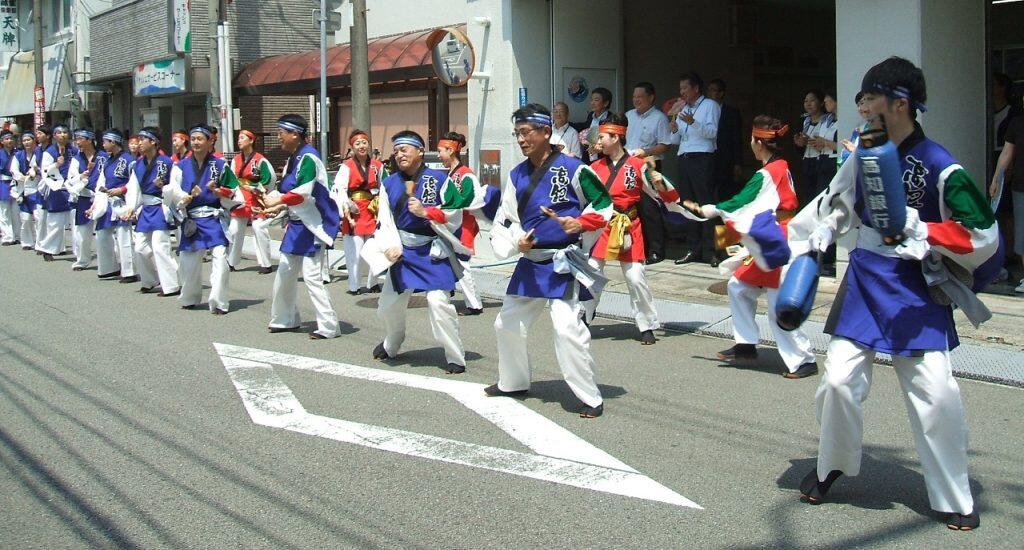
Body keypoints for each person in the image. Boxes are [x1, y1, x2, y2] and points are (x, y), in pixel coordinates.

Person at [792, 57, 1000, 531]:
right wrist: (822, 232)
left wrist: (921, 228)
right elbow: (837, 202)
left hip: (916, 287)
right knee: (839, 381)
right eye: (860, 97)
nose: (861, 105)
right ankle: (833, 464)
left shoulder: (941, 166)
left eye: (870, 97)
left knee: (936, 392)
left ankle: (952, 491)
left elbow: (982, 236)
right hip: (865, 277)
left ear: (900, 103)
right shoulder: (863, 151)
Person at [487, 103, 612, 418]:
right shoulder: (517, 174)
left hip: (564, 262)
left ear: (546, 132)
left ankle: (589, 396)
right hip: (531, 261)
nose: (521, 139)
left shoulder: (573, 169)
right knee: (507, 322)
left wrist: (580, 224)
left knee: (567, 328)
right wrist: (518, 241)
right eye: (517, 134)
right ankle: (512, 381)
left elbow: (603, 202)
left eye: (526, 132)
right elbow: (507, 218)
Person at [685, 115, 818, 378]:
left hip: (777, 239)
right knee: (738, 286)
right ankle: (746, 345)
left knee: (778, 304)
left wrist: (710, 209)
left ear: (758, 142)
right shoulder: (780, 166)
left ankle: (804, 360)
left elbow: (742, 202)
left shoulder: (767, 173)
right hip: (773, 233)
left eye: (752, 139)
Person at [369, 130, 474, 373]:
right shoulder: (389, 183)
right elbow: (384, 219)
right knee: (388, 305)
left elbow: (454, 214)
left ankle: (455, 355)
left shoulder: (439, 179)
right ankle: (392, 341)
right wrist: (389, 246)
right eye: (396, 151)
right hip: (402, 250)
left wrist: (427, 213)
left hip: (432, 251)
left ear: (419, 151)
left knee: (438, 302)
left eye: (404, 149)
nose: (399, 155)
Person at [583, 112, 679, 345]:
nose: (599, 141)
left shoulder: (637, 165)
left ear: (616, 137)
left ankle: (646, 324)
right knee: (592, 272)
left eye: (603, 136)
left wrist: (661, 182)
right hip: (603, 225)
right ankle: (584, 316)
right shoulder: (594, 166)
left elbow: (660, 191)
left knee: (635, 277)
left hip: (628, 225)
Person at [259, 114, 342, 339]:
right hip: (297, 224)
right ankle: (285, 319)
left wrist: (277, 202)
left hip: (314, 224)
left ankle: (329, 326)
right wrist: (275, 204)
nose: (279, 138)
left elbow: (302, 192)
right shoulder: (293, 159)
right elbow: (288, 191)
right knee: (285, 272)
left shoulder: (309, 158)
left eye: (281, 133)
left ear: (295, 134)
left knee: (313, 276)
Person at [161, 124, 238, 314]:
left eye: (200, 139)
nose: (196, 142)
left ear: (210, 141)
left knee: (220, 259)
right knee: (188, 262)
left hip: (213, 218)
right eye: (193, 138)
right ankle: (190, 297)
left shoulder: (220, 165)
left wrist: (219, 191)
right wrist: (182, 198)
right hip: (193, 219)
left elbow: (234, 189)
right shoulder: (180, 166)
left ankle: (219, 302)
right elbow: (173, 189)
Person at [670, 72, 722, 266]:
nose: (682, 92)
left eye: (685, 88)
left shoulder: (710, 105)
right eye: (681, 88)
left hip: (703, 158)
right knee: (688, 204)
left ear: (696, 88)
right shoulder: (683, 108)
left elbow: (712, 133)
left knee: (707, 204)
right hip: (685, 158)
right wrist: (675, 128)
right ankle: (693, 248)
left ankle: (714, 250)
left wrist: (694, 122)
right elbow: (677, 140)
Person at [123, 127, 180, 296]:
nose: (138, 143)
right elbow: (134, 189)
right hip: (145, 209)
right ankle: (150, 279)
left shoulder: (167, 163)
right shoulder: (138, 164)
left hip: (161, 207)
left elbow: (176, 186)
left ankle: (171, 285)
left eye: (142, 139)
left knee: (160, 247)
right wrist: (131, 208)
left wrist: (165, 190)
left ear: (153, 142)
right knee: (140, 247)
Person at [437, 131, 488, 315]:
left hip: (462, 225)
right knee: (447, 259)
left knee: (462, 264)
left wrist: (448, 209)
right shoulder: (452, 173)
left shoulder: (465, 174)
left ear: (450, 150)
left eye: (441, 150)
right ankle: (446, 291)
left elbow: (471, 200)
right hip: (452, 225)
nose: (438, 155)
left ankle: (474, 304)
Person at [332, 129, 386, 294]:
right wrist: (346, 204)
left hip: (372, 209)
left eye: (364, 142)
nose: (362, 146)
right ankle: (354, 285)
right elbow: (338, 189)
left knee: (375, 248)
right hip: (354, 211)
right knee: (354, 250)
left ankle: (373, 282)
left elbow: (383, 187)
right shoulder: (346, 166)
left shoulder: (378, 165)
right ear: (352, 147)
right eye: (357, 143)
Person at [625, 81, 674, 265]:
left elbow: (665, 145)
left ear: (651, 97)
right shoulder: (628, 115)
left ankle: (656, 250)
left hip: (650, 165)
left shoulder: (659, 118)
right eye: (634, 97)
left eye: (640, 97)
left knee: (650, 209)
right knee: (631, 208)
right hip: (629, 165)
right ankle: (638, 249)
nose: (636, 100)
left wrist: (645, 152)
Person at [90, 129, 138, 282]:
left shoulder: (129, 160)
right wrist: (96, 203)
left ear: (113, 142)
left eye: (105, 141)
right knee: (102, 235)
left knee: (124, 237)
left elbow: (135, 183)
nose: (103, 145)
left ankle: (129, 271)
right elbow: (101, 181)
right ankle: (108, 268)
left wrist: (122, 190)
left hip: (122, 201)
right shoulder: (108, 160)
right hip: (107, 201)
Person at [227, 129, 277, 274]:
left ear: (251, 140)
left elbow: (269, 179)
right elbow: (231, 180)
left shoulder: (260, 160)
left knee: (258, 228)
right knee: (235, 230)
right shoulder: (236, 160)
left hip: (256, 199)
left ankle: (266, 263)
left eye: (242, 138)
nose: (239, 140)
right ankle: (231, 261)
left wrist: (255, 188)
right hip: (241, 199)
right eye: (238, 138)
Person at [991, 114, 1024, 293]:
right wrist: (996, 178)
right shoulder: (1017, 121)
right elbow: (1006, 151)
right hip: (1021, 186)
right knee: (1023, 234)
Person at [809, 92, 840, 277]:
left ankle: (832, 257)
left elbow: (842, 145)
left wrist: (826, 143)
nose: (825, 102)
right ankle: (822, 256)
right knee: (821, 209)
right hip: (822, 163)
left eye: (828, 99)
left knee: (832, 209)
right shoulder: (826, 120)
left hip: (834, 165)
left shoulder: (841, 120)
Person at [65, 128, 104, 270]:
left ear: (90, 140)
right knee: (82, 232)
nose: (78, 142)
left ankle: (106, 263)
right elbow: (70, 179)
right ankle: (82, 260)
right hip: (84, 197)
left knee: (103, 232)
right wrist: (83, 175)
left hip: (101, 197)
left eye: (80, 139)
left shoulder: (103, 157)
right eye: (76, 139)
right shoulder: (77, 159)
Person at [37, 124, 75, 260]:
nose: (62, 135)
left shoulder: (74, 150)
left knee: (75, 222)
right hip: (57, 189)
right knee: (56, 223)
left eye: (65, 132)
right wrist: (56, 165)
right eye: (59, 132)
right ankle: (47, 248)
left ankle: (79, 253)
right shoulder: (49, 152)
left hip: (72, 188)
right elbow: (44, 171)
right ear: (54, 136)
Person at [707, 79, 744, 201]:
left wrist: (737, 162)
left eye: (713, 90)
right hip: (707, 156)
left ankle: (724, 218)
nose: (709, 93)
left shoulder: (731, 112)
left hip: (726, 157)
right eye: (709, 90)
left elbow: (736, 137)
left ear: (720, 93)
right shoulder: (704, 111)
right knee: (707, 190)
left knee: (725, 191)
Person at [793, 90, 828, 206]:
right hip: (807, 161)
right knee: (807, 194)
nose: (808, 104)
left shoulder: (828, 120)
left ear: (821, 103)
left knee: (820, 195)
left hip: (821, 160)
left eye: (812, 100)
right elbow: (799, 147)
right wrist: (799, 143)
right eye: (806, 101)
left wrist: (811, 141)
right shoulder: (804, 120)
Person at [9, 132, 43, 250]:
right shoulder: (18, 155)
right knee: (26, 218)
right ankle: (27, 242)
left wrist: (35, 172)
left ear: (34, 140)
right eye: (24, 140)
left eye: (29, 140)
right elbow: (13, 170)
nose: (27, 142)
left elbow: (42, 168)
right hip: (23, 189)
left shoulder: (40, 153)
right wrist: (21, 177)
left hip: (37, 188)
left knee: (38, 217)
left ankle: (40, 244)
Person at [579, 87, 613, 163]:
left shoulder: (611, 119)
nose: (592, 103)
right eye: (592, 100)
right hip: (588, 158)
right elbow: (585, 128)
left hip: (603, 160)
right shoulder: (591, 115)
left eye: (596, 100)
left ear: (606, 103)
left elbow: (612, 142)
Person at [0, 129, 20, 245]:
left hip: (16, 182)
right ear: (2, 141)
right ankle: (7, 236)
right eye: (6, 139)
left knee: (15, 211)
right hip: (3, 183)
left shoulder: (17, 153)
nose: (9, 141)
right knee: (4, 211)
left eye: (11, 138)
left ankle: (17, 236)